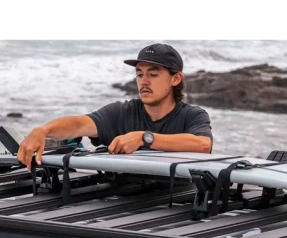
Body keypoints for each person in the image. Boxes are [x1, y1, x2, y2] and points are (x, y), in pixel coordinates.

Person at [18, 43, 213, 170]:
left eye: (153, 75)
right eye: (139, 74)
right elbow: (79, 124)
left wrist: (144, 138)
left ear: (176, 78)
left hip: (175, 202)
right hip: (121, 200)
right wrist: (44, 131)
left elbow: (203, 145)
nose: (144, 81)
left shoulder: (192, 115)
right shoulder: (121, 112)